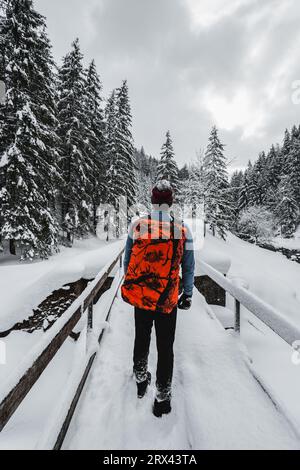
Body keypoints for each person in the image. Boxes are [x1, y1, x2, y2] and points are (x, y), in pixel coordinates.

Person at [121, 180, 195, 418]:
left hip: (142, 297)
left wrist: (137, 286)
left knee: (141, 337)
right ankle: (162, 398)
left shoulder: (137, 226)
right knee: (165, 348)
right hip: (167, 301)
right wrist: (188, 293)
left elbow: (127, 262)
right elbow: (189, 267)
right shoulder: (183, 230)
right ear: (170, 201)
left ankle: (141, 379)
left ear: (152, 201)